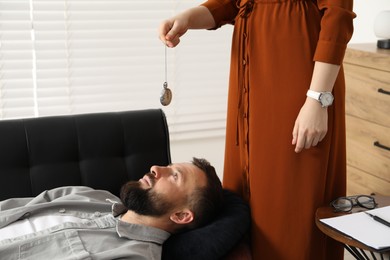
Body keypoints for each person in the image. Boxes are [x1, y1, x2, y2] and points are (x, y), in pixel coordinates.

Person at [159, 1, 355, 259]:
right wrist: (188, 17)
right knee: (244, 202)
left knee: (291, 203)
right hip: (251, 80)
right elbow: (231, 4)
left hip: (299, 82)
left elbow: (337, 17)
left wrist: (317, 99)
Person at [0, 157, 223, 260]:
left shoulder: (132, 256)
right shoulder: (90, 195)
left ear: (181, 215)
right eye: (168, 166)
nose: (156, 168)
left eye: (174, 176)